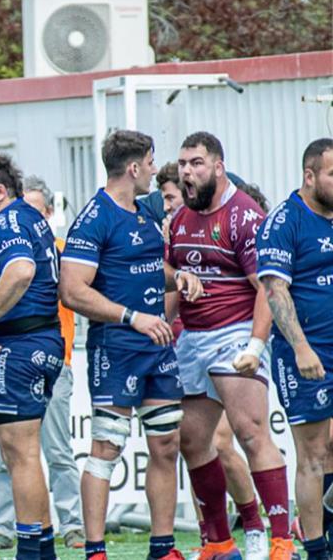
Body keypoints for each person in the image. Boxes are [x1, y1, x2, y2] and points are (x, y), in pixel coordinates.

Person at [59, 131, 186, 560]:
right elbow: (72, 290)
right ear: (134, 168)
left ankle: (163, 548)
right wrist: (132, 317)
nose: (155, 169)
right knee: (107, 448)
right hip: (116, 346)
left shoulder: (144, 212)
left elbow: (149, 266)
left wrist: (178, 278)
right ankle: (96, 550)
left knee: (166, 443)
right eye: (151, 162)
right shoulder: (95, 217)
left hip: (158, 345)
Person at [166, 132, 293, 560]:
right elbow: (171, 271)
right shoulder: (181, 217)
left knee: (251, 432)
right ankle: (219, 543)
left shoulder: (245, 216)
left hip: (233, 332)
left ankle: (280, 540)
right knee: (193, 439)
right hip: (192, 338)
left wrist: (256, 345)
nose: (187, 171)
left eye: (196, 163)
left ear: (218, 167)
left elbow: (267, 288)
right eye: (183, 163)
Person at [157, 163, 265, 555]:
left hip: (222, 336)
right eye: (166, 198)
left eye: (171, 196)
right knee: (192, 442)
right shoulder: (174, 226)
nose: (168, 204)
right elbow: (172, 288)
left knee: (223, 440)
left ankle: (254, 524)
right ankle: (215, 536)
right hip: (187, 340)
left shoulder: (223, 213)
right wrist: (163, 326)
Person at [0, 153, 63, 560]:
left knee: (19, 455)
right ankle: (45, 550)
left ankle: (28, 552)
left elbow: (20, 270)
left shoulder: (5, 222)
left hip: (16, 345)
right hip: (40, 342)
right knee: (27, 454)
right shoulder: (31, 217)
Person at [0, 175, 84, 551]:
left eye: (34, 209)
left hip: (55, 361)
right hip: (8, 357)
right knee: (3, 454)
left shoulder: (60, 250)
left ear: (47, 213)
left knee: (58, 450)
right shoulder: (1, 246)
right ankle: (3, 525)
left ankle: (72, 523)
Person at [258, 138, 333, 560]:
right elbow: (274, 289)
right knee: (314, 452)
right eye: (332, 174)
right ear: (310, 176)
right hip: (306, 355)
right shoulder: (285, 221)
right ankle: (317, 548)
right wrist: (302, 349)